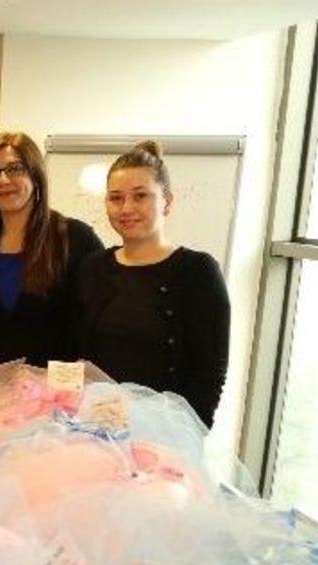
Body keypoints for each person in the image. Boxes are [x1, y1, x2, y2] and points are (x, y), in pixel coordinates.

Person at [78, 140, 230, 427]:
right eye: (115, 198)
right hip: (94, 427)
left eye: (140, 196)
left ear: (167, 202)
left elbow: (209, 374)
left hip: (165, 434)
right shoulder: (93, 267)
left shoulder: (197, 272)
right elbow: (77, 356)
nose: (126, 208)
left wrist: (182, 435)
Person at [0, 132, 103, 366]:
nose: (3, 180)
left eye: (15, 168)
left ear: (35, 175)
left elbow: (97, 324)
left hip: (55, 383)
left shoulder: (75, 238)